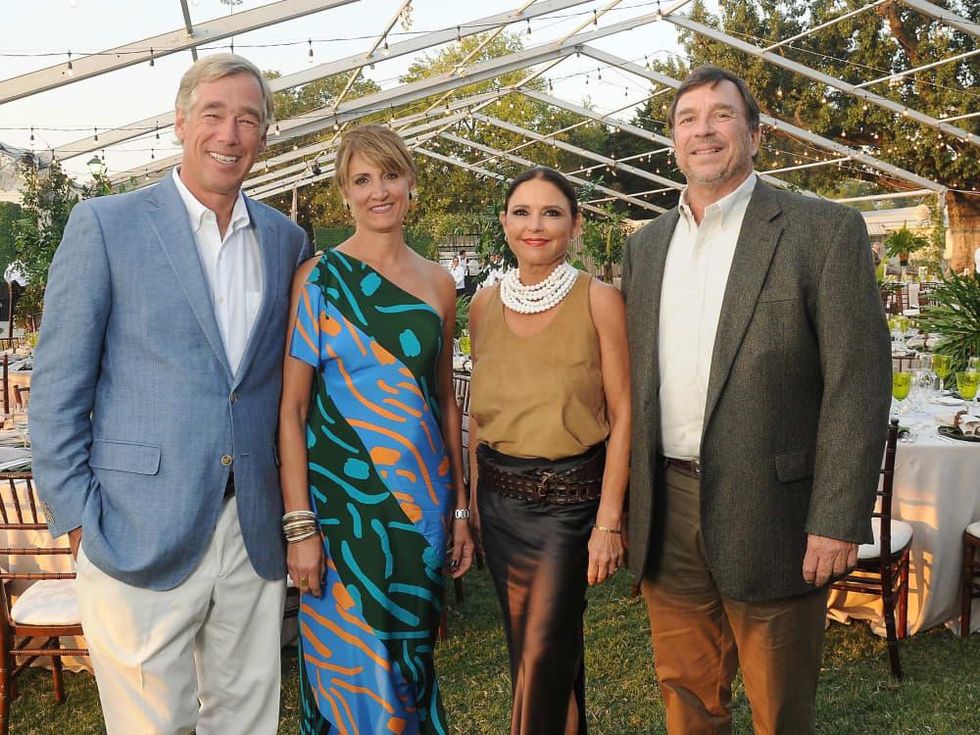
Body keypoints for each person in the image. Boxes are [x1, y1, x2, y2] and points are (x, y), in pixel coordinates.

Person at [29, 54, 309, 733]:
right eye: (214, 113)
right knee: (151, 724)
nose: (230, 134)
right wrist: (78, 521)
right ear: (180, 122)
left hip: (252, 527)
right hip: (134, 527)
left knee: (247, 719)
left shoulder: (286, 239)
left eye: (249, 119)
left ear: (265, 135)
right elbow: (58, 388)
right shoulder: (106, 224)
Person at [621, 65, 891, 734]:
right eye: (688, 119)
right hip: (668, 504)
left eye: (721, 115)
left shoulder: (822, 230)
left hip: (776, 512)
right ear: (673, 141)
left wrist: (837, 517)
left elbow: (858, 384)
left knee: (780, 708)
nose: (704, 130)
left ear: (755, 133)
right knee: (686, 694)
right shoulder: (646, 248)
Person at [278, 124, 474, 734]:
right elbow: (292, 410)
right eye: (362, 179)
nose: (378, 191)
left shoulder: (440, 283)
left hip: (421, 509)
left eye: (390, 175)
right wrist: (300, 526)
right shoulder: (318, 278)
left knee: (410, 662)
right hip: (340, 511)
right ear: (345, 192)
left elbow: (445, 403)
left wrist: (460, 509)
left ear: (411, 182)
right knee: (346, 665)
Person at [467, 166, 631, 735]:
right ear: (505, 222)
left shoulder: (600, 300)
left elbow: (624, 414)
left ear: (575, 224)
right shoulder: (482, 306)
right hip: (499, 508)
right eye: (522, 212)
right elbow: (478, 418)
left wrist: (609, 521)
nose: (535, 225)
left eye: (551, 212)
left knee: (540, 657)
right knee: (540, 658)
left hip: (568, 509)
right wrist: (474, 505)